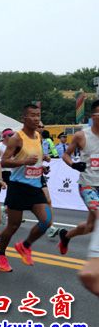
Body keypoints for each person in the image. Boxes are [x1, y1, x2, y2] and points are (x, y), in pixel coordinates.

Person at [0, 104, 52, 273]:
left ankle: (25, 245)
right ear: (24, 118)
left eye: (38, 115)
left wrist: (42, 166)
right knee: (13, 226)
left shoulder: (38, 136)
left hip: (35, 187)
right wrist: (24, 162)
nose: (36, 118)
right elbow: (4, 161)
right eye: (32, 115)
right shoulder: (16, 138)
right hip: (18, 187)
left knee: (46, 221)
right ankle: (0, 254)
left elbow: (35, 161)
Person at [56, 100, 99, 296]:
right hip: (88, 185)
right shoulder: (82, 136)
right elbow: (66, 155)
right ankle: (94, 260)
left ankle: (66, 236)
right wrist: (74, 165)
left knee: (90, 226)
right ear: (92, 116)